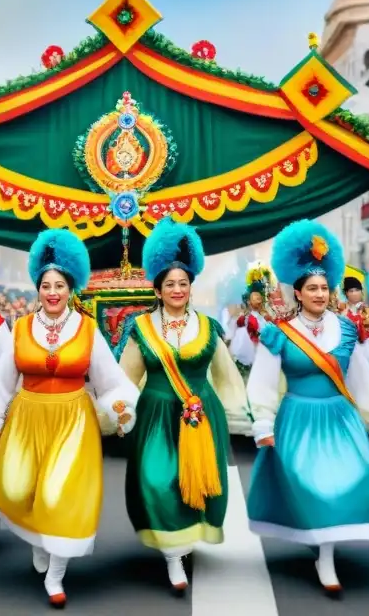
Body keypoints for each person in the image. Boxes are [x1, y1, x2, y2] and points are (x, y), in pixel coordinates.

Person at [0, 228, 139, 608]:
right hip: (27, 418)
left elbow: (109, 380)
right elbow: (1, 382)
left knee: (58, 495)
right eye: (46, 285)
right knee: (18, 489)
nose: (52, 292)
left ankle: (56, 572)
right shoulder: (19, 329)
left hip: (73, 421)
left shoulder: (87, 329)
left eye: (60, 286)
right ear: (38, 288)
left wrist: (119, 406)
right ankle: (38, 538)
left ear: (71, 289)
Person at [246, 219, 369, 593]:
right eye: (311, 288)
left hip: (340, 417)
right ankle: (324, 556)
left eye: (324, 288)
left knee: (352, 479)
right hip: (298, 416)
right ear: (297, 292)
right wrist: (263, 424)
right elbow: (262, 380)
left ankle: (326, 544)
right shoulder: (278, 332)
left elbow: (360, 375)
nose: (319, 293)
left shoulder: (345, 329)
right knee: (314, 485)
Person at [118, 217, 248, 593]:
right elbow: (126, 376)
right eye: (169, 284)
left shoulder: (207, 327)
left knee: (198, 486)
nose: (177, 289)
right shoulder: (141, 328)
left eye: (183, 283)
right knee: (157, 481)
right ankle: (173, 557)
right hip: (156, 415)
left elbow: (226, 376)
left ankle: (185, 539)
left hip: (202, 415)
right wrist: (120, 412)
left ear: (191, 287)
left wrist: (246, 419)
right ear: (157, 289)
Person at [229, 261, 276, 371]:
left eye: (259, 298)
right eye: (255, 299)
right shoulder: (244, 319)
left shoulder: (266, 316)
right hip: (251, 352)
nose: (258, 301)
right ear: (249, 302)